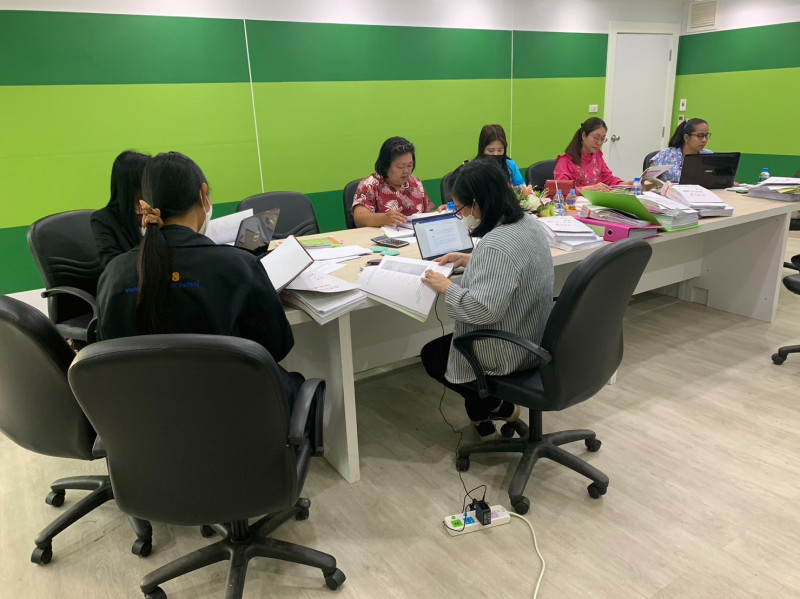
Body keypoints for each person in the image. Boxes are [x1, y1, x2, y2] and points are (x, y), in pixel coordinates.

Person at [96, 152, 301, 407]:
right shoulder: (239, 266)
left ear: (144, 204)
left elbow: (108, 355)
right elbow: (277, 346)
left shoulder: (114, 275)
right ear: (203, 195)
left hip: (145, 417)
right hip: (236, 412)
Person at [419, 160, 554, 440]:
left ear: (477, 204)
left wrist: (447, 287)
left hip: (510, 347)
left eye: (460, 209)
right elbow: (515, 266)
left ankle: (493, 405)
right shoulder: (528, 223)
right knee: (443, 352)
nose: (461, 217)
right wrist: (472, 259)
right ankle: (491, 408)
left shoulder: (496, 244)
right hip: (535, 335)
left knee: (433, 356)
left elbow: (483, 310)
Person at [352, 136, 435, 227]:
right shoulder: (370, 185)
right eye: (401, 167)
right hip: (383, 235)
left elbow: (425, 215)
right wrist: (385, 218)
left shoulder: (416, 183)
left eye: (410, 165)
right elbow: (359, 219)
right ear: (386, 165)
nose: (406, 171)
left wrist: (441, 213)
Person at [91, 151, 150, 268]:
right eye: (148, 178)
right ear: (131, 183)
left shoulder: (160, 211)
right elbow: (112, 264)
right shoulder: (104, 220)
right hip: (129, 277)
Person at [554, 117, 627, 192]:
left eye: (602, 139)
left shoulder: (597, 155)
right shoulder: (566, 160)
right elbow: (561, 189)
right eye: (596, 138)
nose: (599, 143)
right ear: (584, 136)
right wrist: (587, 189)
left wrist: (625, 185)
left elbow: (608, 178)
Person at [650, 118, 713, 183]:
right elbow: (648, 182)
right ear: (686, 138)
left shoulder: (709, 156)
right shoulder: (665, 155)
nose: (704, 140)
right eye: (700, 136)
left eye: (706, 135)